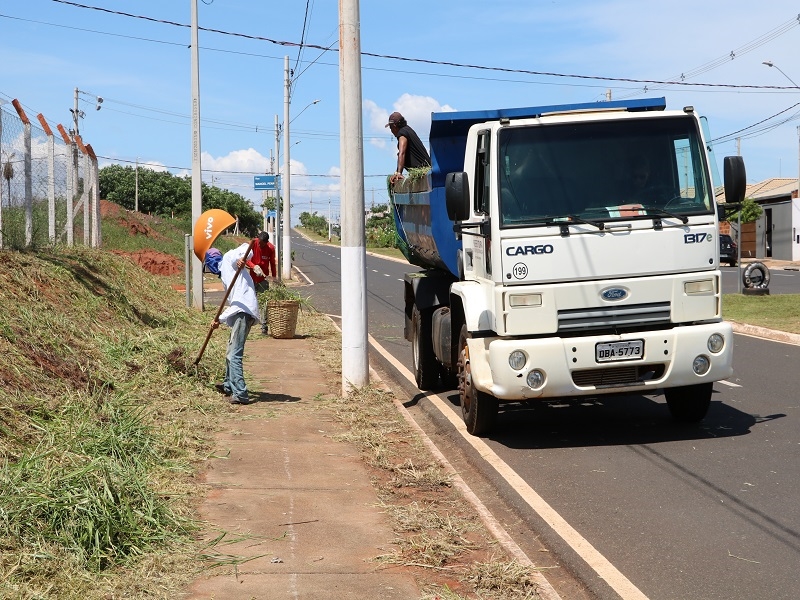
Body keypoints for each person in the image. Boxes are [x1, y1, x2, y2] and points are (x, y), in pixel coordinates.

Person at [211, 242, 261, 405]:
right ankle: (228, 385)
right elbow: (235, 301)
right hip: (241, 310)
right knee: (229, 351)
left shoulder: (226, 259)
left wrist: (242, 259)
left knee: (234, 354)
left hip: (244, 311)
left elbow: (247, 247)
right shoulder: (226, 275)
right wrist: (219, 319)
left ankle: (240, 393)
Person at [243, 231, 277, 334]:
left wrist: (274, 278)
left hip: (263, 279)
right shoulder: (253, 243)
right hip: (252, 278)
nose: (259, 244)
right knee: (250, 300)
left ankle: (264, 325)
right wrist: (253, 266)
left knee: (264, 302)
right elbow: (245, 258)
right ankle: (247, 323)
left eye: (262, 243)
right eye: (259, 242)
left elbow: (272, 263)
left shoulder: (270, 248)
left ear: (266, 242)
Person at [386, 112, 431, 185]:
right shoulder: (408, 130)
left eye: (391, 128)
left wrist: (399, 173)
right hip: (425, 172)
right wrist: (396, 172)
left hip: (423, 174)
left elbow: (402, 153)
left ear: (394, 126)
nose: (391, 131)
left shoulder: (402, 133)